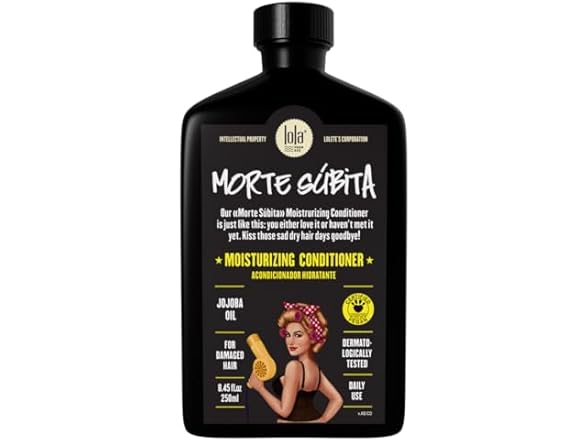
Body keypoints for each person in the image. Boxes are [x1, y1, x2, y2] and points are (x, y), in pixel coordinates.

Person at [248, 302, 343, 423]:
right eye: (288, 335)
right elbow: (337, 400)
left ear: (312, 337)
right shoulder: (315, 369)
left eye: (298, 335)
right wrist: (320, 421)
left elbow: (284, 411)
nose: (291, 341)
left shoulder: (294, 367)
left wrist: (260, 388)